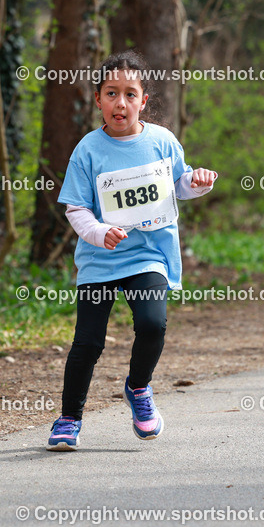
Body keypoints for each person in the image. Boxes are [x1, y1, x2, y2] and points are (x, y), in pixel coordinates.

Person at [46, 51, 217, 451]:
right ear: (98, 100)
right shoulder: (87, 150)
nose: (120, 103)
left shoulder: (161, 141)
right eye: (111, 93)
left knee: (153, 324)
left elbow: (178, 185)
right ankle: (69, 417)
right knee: (88, 343)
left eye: (129, 94)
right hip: (99, 260)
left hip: (148, 255)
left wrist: (199, 181)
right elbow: (76, 208)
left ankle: (138, 388)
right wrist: (98, 232)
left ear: (143, 101)